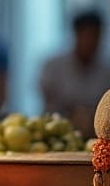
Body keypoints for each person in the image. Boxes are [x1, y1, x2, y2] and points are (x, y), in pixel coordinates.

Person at [40, 9, 110, 137]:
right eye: (86, 35)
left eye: (95, 36)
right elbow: (48, 102)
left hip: (97, 136)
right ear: (76, 34)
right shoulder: (53, 66)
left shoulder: (106, 69)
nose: (91, 42)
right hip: (59, 133)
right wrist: (73, 114)